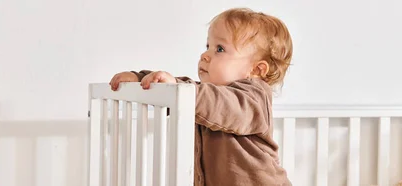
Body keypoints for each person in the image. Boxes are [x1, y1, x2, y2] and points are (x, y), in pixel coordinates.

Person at [109, 7, 293, 186]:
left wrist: (179, 88)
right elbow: (189, 89)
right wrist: (141, 79)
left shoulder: (254, 97)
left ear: (255, 69)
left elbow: (222, 105)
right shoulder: (206, 94)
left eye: (219, 49)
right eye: (208, 46)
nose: (205, 55)